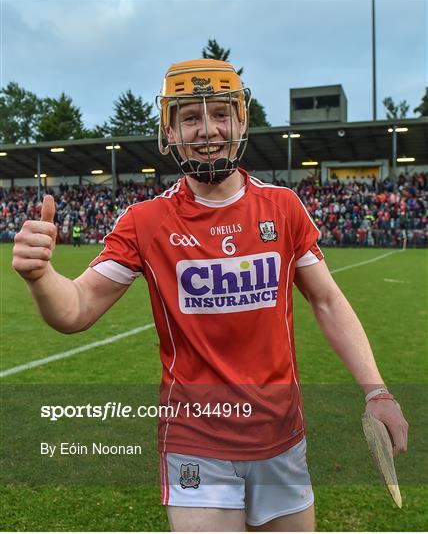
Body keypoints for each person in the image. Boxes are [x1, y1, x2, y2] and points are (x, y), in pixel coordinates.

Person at [12, 59, 408, 532]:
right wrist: (41, 276)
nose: (207, 130)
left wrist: (377, 391)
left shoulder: (282, 208)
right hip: (195, 439)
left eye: (220, 113)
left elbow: (327, 301)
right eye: (190, 117)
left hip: (281, 437)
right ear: (171, 131)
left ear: (241, 121)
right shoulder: (145, 221)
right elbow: (75, 308)